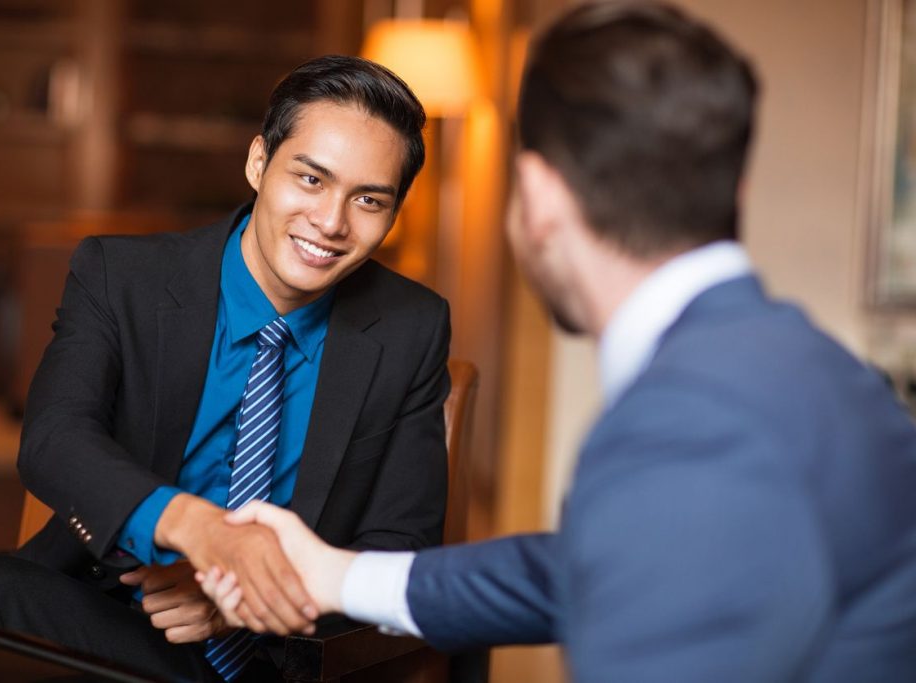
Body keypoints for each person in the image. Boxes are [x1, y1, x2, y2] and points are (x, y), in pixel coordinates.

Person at [200, 3, 916, 681]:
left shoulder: (689, 423)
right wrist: (338, 574)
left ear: (537, 197)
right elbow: (587, 564)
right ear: (736, 188)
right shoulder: (818, 369)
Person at [0, 55, 451, 682]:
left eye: (368, 199)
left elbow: (403, 551)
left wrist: (246, 598)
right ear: (259, 162)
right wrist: (200, 533)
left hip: (276, 653)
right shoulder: (121, 277)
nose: (332, 223)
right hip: (110, 615)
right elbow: (54, 440)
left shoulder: (410, 327)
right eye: (311, 179)